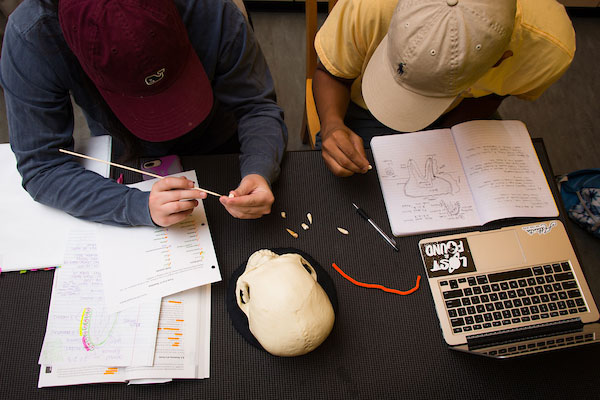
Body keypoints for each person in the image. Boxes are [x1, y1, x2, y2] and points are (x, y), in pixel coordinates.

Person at [0, 0, 287, 227]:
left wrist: (259, 168)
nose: (171, 122)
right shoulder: (33, 36)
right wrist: (135, 205)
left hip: (225, 144)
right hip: (129, 156)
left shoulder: (211, 10)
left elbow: (256, 106)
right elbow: (43, 166)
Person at [313, 0, 575, 177]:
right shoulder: (371, 7)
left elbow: (500, 89)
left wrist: (452, 135)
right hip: (364, 107)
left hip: (466, 110)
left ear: (500, 58)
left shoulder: (548, 49)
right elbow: (330, 72)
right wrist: (333, 125)